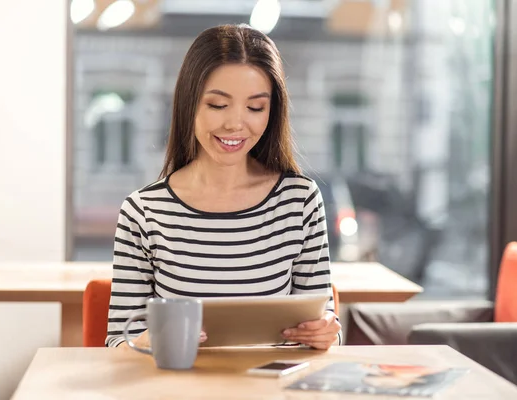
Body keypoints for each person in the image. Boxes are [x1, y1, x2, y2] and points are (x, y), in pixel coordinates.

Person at [106, 23, 341, 350]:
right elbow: (119, 341)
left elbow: (325, 323)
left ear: (272, 112)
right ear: (190, 104)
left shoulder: (299, 202)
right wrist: (155, 340)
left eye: (256, 107)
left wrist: (326, 333)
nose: (235, 123)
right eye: (218, 105)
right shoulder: (144, 211)